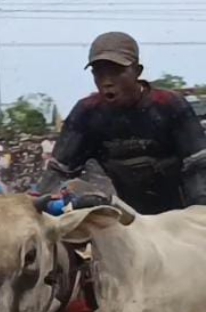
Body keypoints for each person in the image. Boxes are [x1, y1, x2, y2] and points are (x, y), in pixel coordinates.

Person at [38, 31, 206, 214]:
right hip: (126, 215)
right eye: (99, 73)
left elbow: (198, 165)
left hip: (181, 212)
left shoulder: (169, 105)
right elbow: (59, 171)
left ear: (137, 71)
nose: (107, 82)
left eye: (116, 72)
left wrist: (198, 213)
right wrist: (34, 204)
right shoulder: (87, 113)